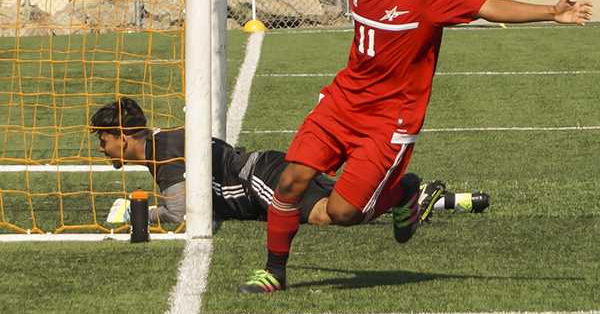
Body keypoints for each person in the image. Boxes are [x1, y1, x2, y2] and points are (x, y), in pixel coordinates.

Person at [241, 0, 592, 293]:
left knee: (341, 213)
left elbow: (486, 6)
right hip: (342, 103)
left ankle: (404, 192)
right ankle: (274, 271)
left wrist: (551, 11)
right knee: (290, 181)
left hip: (392, 119)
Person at [90, 98, 487, 226]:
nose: (101, 148)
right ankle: (447, 199)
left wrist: (135, 212)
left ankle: (407, 193)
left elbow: (181, 211)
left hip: (257, 181)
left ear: (125, 137)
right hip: (263, 168)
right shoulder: (169, 139)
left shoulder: (165, 155)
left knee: (328, 215)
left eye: (103, 140)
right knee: (346, 195)